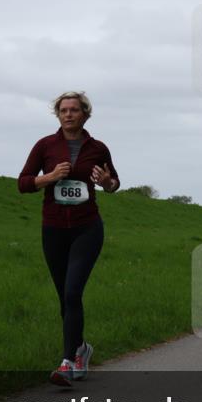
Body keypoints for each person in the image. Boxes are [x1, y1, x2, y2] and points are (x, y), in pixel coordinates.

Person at [18, 91, 120, 387]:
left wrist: (106, 183)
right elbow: (23, 183)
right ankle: (81, 350)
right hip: (53, 230)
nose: (69, 114)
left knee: (73, 291)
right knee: (65, 295)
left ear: (85, 114)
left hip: (87, 228)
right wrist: (48, 178)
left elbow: (114, 183)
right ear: (58, 114)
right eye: (63, 110)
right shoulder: (45, 146)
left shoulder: (98, 148)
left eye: (75, 110)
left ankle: (65, 364)